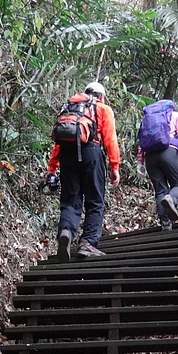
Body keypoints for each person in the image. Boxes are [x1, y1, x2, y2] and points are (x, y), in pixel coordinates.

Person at [45, 82, 120, 261]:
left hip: (67, 155)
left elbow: (58, 143)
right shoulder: (102, 108)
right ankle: (87, 243)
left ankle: (66, 231)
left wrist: (52, 168)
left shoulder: (69, 108)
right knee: (95, 199)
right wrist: (114, 166)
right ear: (101, 96)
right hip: (91, 153)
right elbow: (110, 139)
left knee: (70, 199)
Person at [137, 102, 178, 230]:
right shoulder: (175, 115)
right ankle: (171, 198)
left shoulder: (148, 120)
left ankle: (165, 223)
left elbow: (142, 141)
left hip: (150, 156)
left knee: (160, 191)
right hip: (168, 151)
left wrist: (140, 162)